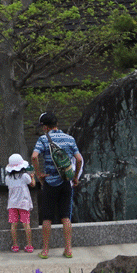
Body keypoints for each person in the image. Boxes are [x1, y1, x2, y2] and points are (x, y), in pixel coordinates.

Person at [31, 111, 84, 259]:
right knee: (65, 217)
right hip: (65, 182)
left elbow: (34, 156)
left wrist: (39, 173)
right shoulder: (69, 139)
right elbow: (79, 159)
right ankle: (68, 250)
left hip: (50, 182)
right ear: (57, 125)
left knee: (47, 218)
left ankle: (45, 251)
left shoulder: (43, 140)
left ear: (46, 127)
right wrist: (74, 176)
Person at [4, 153, 36, 252]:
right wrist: (32, 176)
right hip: (23, 203)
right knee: (26, 224)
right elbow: (33, 184)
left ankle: (15, 246)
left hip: (12, 204)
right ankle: (29, 246)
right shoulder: (24, 176)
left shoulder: (8, 178)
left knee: (13, 225)